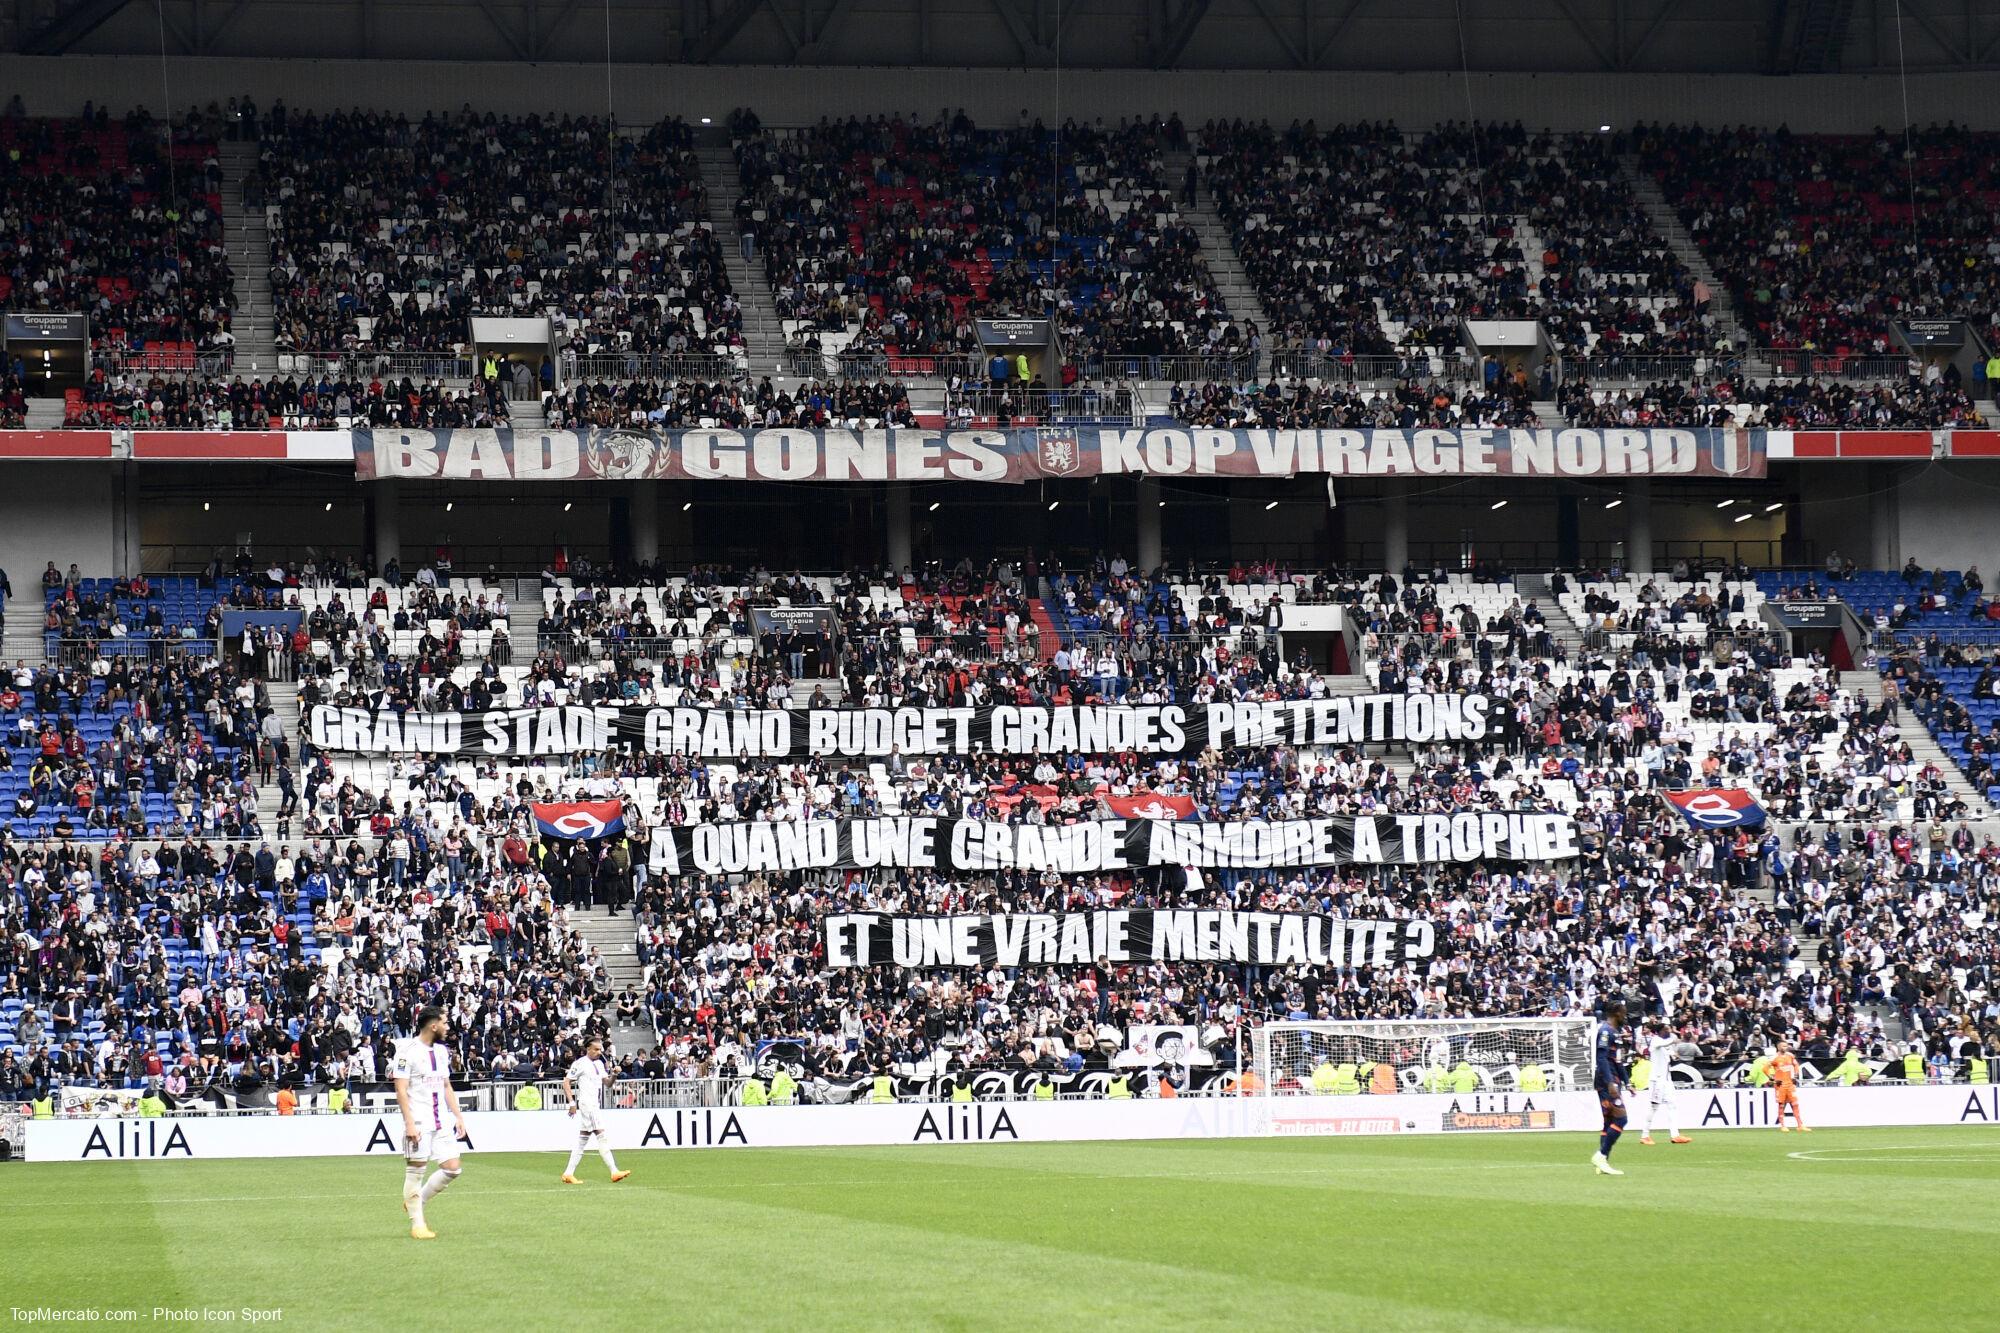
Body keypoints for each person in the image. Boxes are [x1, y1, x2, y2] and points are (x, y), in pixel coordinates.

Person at [393, 1005, 470, 1241]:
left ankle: (416, 1201)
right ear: (433, 1025)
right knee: (416, 1172)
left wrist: (458, 1116)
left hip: (441, 1120)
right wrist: (409, 1124)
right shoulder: (407, 1052)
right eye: (445, 1023)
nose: (448, 1027)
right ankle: (418, 1224)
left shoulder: (442, 1051)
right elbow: (401, 1090)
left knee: (453, 1168)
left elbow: (446, 1085)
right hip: (419, 1121)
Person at [560, 1036, 630, 1185]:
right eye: (596, 1049)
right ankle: (614, 1171)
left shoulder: (599, 1064)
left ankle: (568, 1173)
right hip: (588, 1105)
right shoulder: (580, 1063)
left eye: (600, 1049)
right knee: (601, 1135)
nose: (599, 1052)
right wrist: (572, 1102)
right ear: (588, 1049)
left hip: (595, 1104)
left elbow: (608, 1084)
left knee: (582, 1140)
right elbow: (566, 1082)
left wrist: (615, 1074)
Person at [1635, 1019, 1691, 1146]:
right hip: (1657, 1080)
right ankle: (1644, 1135)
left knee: (1672, 1105)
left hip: (1666, 1080)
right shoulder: (1656, 1040)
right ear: (1660, 1031)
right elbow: (1663, 1044)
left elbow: (1669, 1051)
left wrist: (1675, 1054)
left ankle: (1675, 1135)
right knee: (1653, 1107)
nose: (1668, 1031)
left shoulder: (1664, 1044)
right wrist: (1674, 1039)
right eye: (1666, 1029)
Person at [1590, 999, 1630, 1177]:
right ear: (1616, 1013)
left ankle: (1603, 1163)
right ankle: (1601, 1155)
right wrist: (1610, 1082)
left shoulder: (1615, 1032)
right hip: (1607, 1082)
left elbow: (1617, 1061)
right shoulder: (1605, 1031)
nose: (1625, 1016)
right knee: (1621, 1119)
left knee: (1608, 1122)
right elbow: (1602, 1058)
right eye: (1623, 1012)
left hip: (1612, 1080)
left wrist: (1627, 1081)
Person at [1770, 1039, 1808, 1133]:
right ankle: (1783, 1125)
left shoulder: (1790, 1056)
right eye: (1783, 1046)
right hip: (1781, 1085)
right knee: (1781, 1105)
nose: (1785, 1047)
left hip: (1790, 1084)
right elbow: (1765, 1068)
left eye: (1786, 1046)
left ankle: (1800, 1125)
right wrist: (1773, 1079)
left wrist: (1795, 1074)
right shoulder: (1774, 1058)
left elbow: (1796, 1065)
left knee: (1795, 1104)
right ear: (1778, 1047)